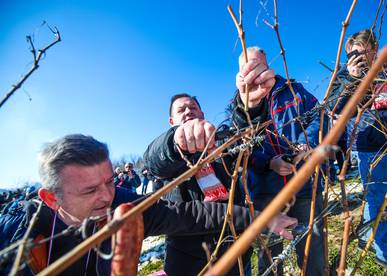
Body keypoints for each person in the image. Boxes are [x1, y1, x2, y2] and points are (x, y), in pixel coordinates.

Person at [0, 134, 296, 275]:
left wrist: (263, 218)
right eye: (90, 190)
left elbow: (189, 214)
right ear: (52, 199)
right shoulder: (18, 238)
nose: (106, 196)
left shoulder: (121, 204)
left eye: (108, 181)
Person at [144, 93, 287, 275]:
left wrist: (251, 107)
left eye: (193, 108)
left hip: (235, 252)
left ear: (202, 114)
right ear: (172, 121)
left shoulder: (221, 142)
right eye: (181, 110)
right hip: (188, 261)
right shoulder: (168, 152)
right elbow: (153, 159)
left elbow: (246, 136)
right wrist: (176, 142)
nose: (188, 112)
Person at [230, 46, 326, 275]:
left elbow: (319, 117)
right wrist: (268, 162)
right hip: (264, 194)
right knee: (270, 259)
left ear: (268, 64)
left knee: (312, 252)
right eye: (248, 67)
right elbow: (238, 147)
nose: (255, 71)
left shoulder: (295, 91)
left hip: (303, 186)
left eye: (258, 64)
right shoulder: (238, 107)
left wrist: (306, 143)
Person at [329, 29, 387, 273]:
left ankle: (369, 234)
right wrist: (353, 79)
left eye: (362, 51)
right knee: (379, 201)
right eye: (352, 53)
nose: (358, 56)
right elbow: (335, 109)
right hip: (370, 146)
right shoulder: (346, 75)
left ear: (374, 49)